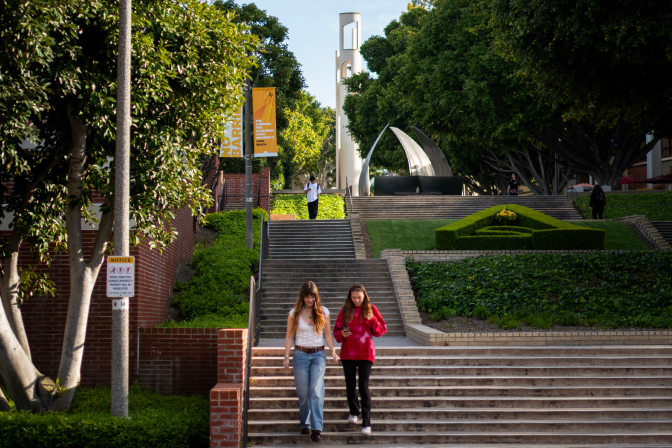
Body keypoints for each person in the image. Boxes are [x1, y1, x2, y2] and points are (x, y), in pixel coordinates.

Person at [283, 281, 338, 442]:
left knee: (315, 390)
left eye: (312, 296)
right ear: (302, 297)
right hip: (300, 354)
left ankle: (316, 428)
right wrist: (286, 356)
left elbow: (328, 334)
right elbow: (288, 336)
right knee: (303, 394)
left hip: (318, 355)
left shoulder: (323, 312)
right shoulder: (294, 313)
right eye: (307, 296)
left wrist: (333, 350)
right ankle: (304, 423)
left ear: (316, 296)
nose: (309, 299)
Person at [333, 284, 387, 436]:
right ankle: (353, 411)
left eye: (359, 297)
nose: (357, 300)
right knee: (350, 385)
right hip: (348, 353)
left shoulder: (371, 309)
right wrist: (342, 334)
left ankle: (366, 422)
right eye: (354, 297)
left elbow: (381, 330)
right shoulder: (345, 310)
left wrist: (372, 321)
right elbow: (336, 331)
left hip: (365, 353)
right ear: (350, 297)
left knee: (363, 386)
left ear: (364, 296)